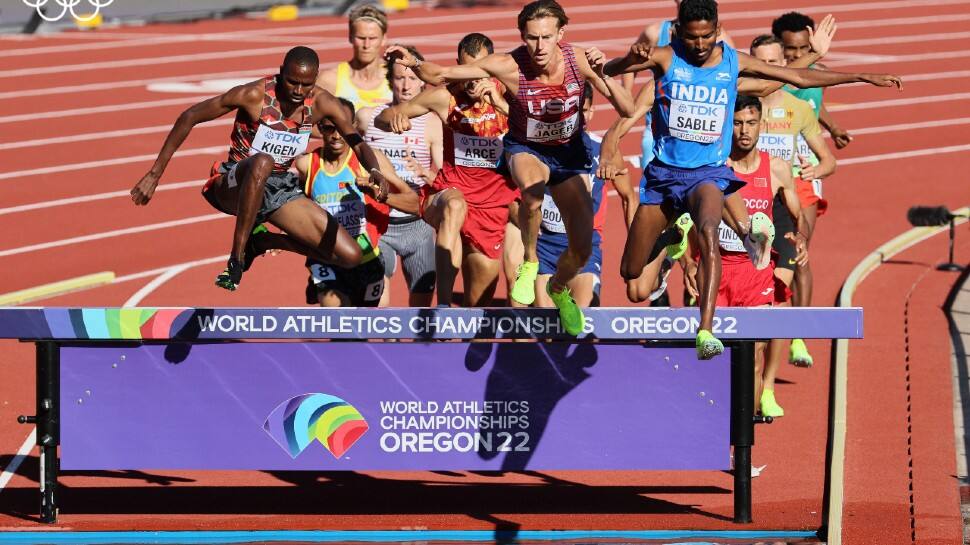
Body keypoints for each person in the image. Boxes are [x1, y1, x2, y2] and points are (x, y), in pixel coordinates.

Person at [602, 0, 901, 359]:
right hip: (664, 177)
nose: (700, 45)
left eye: (707, 37)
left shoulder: (732, 62)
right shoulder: (665, 59)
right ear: (680, 31)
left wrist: (862, 76)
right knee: (631, 273)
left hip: (708, 174)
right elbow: (609, 69)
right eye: (693, 38)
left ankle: (705, 330)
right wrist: (629, 59)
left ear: (717, 29)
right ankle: (671, 239)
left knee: (710, 231)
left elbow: (795, 78)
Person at [386, 0, 634, 334]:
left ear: (561, 33)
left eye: (547, 37)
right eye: (531, 37)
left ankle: (558, 289)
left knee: (582, 248)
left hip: (567, 156)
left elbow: (628, 107)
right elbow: (441, 75)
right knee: (531, 194)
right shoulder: (507, 65)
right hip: (526, 152)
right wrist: (413, 62)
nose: (539, 46)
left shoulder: (578, 60)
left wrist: (603, 75)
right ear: (521, 36)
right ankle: (528, 263)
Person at [130, 46, 393, 292]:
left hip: (277, 188)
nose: (299, 90)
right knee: (263, 162)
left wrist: (374, 170)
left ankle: (264, 241)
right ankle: (236, 258)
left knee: (349, 256)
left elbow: (356, 142)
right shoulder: (254, 95)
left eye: (306, 84)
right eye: (292, 82)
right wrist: (155, 174)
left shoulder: (323, 103)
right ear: (281, 72)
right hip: (233, 181)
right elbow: (189, 116)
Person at [684, 94, 809, 415]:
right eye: (737, 123)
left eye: (751, 123)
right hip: (717, 267)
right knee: (713, 357)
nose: (744, 130)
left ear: (762, 126)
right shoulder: (713, 167)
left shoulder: (777, 169)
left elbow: (797, 214)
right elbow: (691, 221)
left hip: (755, 274)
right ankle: (715, 424)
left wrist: (801, 237)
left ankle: (744, 439)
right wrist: (688, 264)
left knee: (753, 358)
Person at [375, 33, 518, 307]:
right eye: (467, 71)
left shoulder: (509, 93)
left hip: (492, 208)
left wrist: (500, 104)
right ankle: (442, 307)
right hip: (448, 193)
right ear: (458, 66)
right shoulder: (445, 97)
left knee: (478, 306)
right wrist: (394, 120)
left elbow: (538, 130)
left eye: (482, 70)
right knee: (454, 205)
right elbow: (384, 118)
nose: (474, 80)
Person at [750, 34, 839, 367]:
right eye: (762, 62)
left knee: (779, 287)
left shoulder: (798, 108)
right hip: (743, 207)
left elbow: (829, 161)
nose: (768, 69)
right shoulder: (741, 104)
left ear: (784, 65)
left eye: (775, 63)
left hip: (785, 202)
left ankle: (780, 358)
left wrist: (814, 168)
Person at [295, 97, 418, 307]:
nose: (335, 135)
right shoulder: (307, 165)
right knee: (335, 311)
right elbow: (296, 205)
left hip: (366, 258)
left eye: (340, 128)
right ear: (319, 129)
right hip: (327, 259)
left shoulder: (371, 162)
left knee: (365, 326)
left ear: (351, 126)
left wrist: (380, 195)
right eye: (328, 128)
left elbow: (414, 202)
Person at [357, 45, 443, 307]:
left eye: (413, 79)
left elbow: (441, 179)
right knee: (379, 307)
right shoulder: (366, 117)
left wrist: (425, 173)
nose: (406, 86)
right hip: (378, 221)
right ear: (389, 80)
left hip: (417, 224)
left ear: (422, 82)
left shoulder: (432, 122)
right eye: (399, 78)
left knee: (421, 311)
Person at [317, 5, 393, 111]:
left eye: (372, 38)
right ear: (350, 37)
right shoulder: (330, 80)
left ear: (384, 39)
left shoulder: (396, 78)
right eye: (361, 38)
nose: (366, 45)